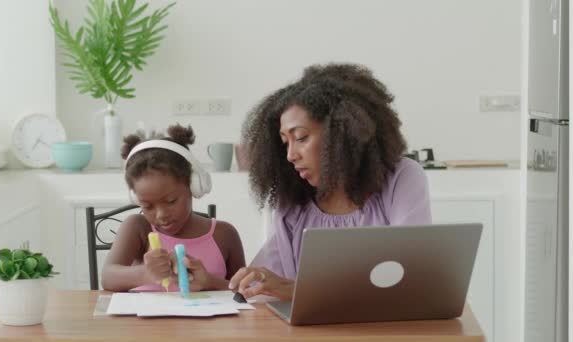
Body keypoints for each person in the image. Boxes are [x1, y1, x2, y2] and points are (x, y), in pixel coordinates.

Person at [228, 63, 432, 300]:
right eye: (285, 142)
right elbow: (267, 286)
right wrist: (216, 283)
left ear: (342, 132)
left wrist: (300, 290)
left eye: (301, 138)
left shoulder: (401, 178)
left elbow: (410, 278)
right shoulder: (293, 203)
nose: (290, 155)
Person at [102, 123, 246, 292]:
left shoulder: (225, 234)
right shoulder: (138, 228)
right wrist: (144, 273)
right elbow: (107, 277)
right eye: (147, 206)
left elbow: (244, 292)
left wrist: (209, 282)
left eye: (171, 201)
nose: (161, 215)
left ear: (193, 186)